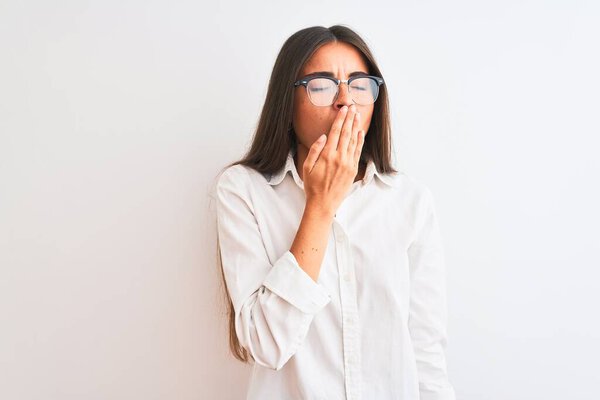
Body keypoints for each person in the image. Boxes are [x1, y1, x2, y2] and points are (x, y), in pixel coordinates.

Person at [211, 24, 456, 400]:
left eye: (360, 85)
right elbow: (265, 344)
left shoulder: (410, 201)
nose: (346, 101)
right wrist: (320, 206)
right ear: (287, 101)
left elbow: (426, 351)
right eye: (323, 85)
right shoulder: (243, 190)